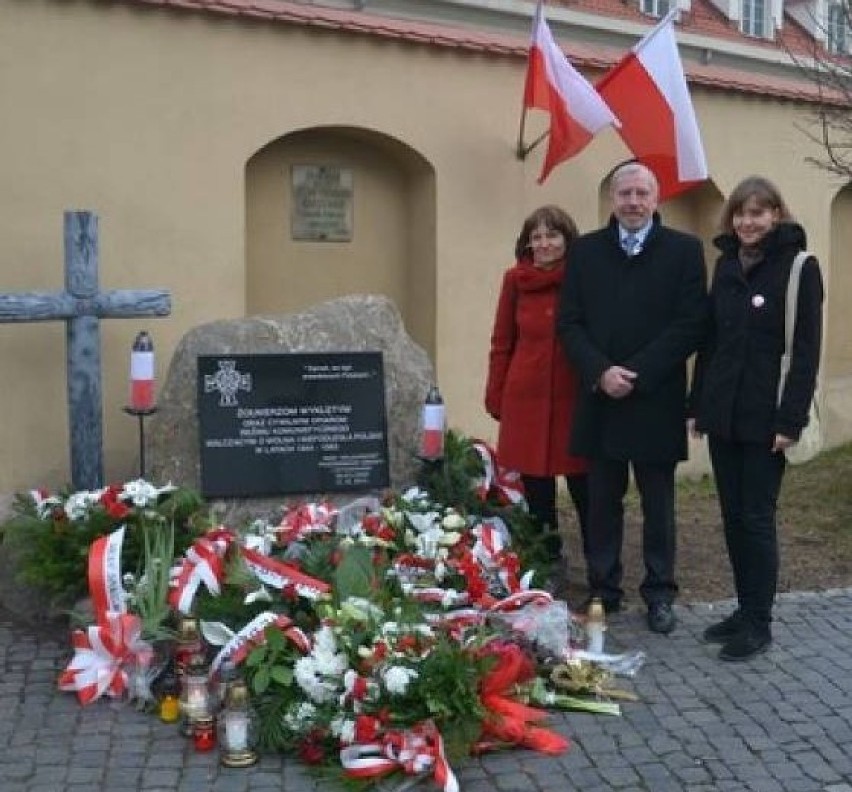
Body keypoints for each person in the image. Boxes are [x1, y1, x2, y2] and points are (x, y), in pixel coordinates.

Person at [557, 161, 708, 634]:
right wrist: (601, 371)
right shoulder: (585, 252)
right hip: (600, 397)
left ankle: (660, 592)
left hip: (655, 398)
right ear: (613, 199)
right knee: (602, 502)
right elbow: (569, 323)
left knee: (659, 504)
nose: (633, 202)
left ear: (656, 199)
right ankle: (605, 588)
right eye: (625, 193)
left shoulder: (684, 251)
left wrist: (636, 374)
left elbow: (690, 325)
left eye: (642, 193)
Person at [689, 176, 823, 661]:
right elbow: (711, 343)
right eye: (741, 214)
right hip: (725, 415)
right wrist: (699, 405)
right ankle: (743, 610)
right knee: (731, 516)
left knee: (756, 518)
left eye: (758, 213)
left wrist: (790, 422)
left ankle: (760, 623)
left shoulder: (799, 268)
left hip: (768, 420)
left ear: (776, 216)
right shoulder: (725, 264)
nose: (748, 222)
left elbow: (806, 353)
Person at [485, 205, 590, 590]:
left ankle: (600, 567)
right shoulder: (515, 280)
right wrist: (496, 394)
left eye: (552, 235)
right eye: (537, 237)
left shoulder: (583, 278)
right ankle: (548, 562)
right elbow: (502, 342)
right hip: (525, 399)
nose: (544, 244)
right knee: (537, 494)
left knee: (586, 488)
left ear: (568, 239)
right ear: (527, 243)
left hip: (573, 397)